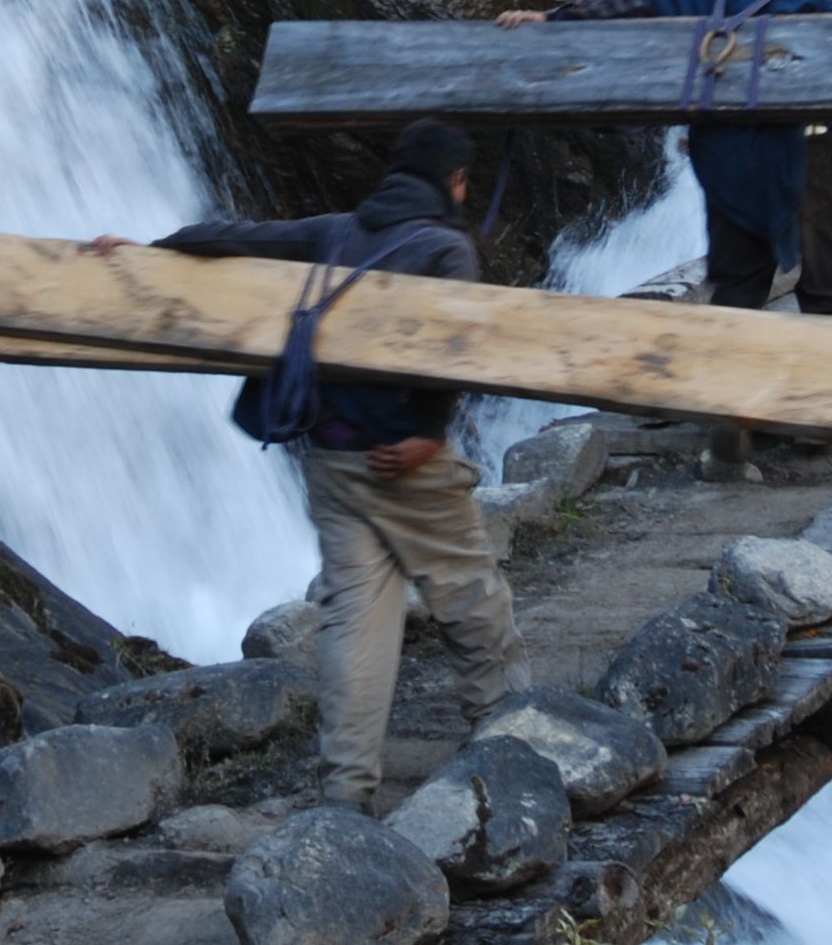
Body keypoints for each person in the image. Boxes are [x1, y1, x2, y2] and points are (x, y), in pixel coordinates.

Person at [89, 118, 526, 809]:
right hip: (403, 462)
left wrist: (147, 251)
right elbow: (454, 345)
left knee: (356, 617)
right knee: (470, 594)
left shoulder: (337, 233)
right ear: (453, 181)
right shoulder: (446, 248)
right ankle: (507, 739)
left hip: (330, 457)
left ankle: (346, 790)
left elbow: (236, 237)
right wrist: (426, 434)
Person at [499, 0, 832, 317]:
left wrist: (553, 18)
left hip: (725, 157)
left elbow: (639, 4)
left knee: (738, 290)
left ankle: (725, 377)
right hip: (801, 156)